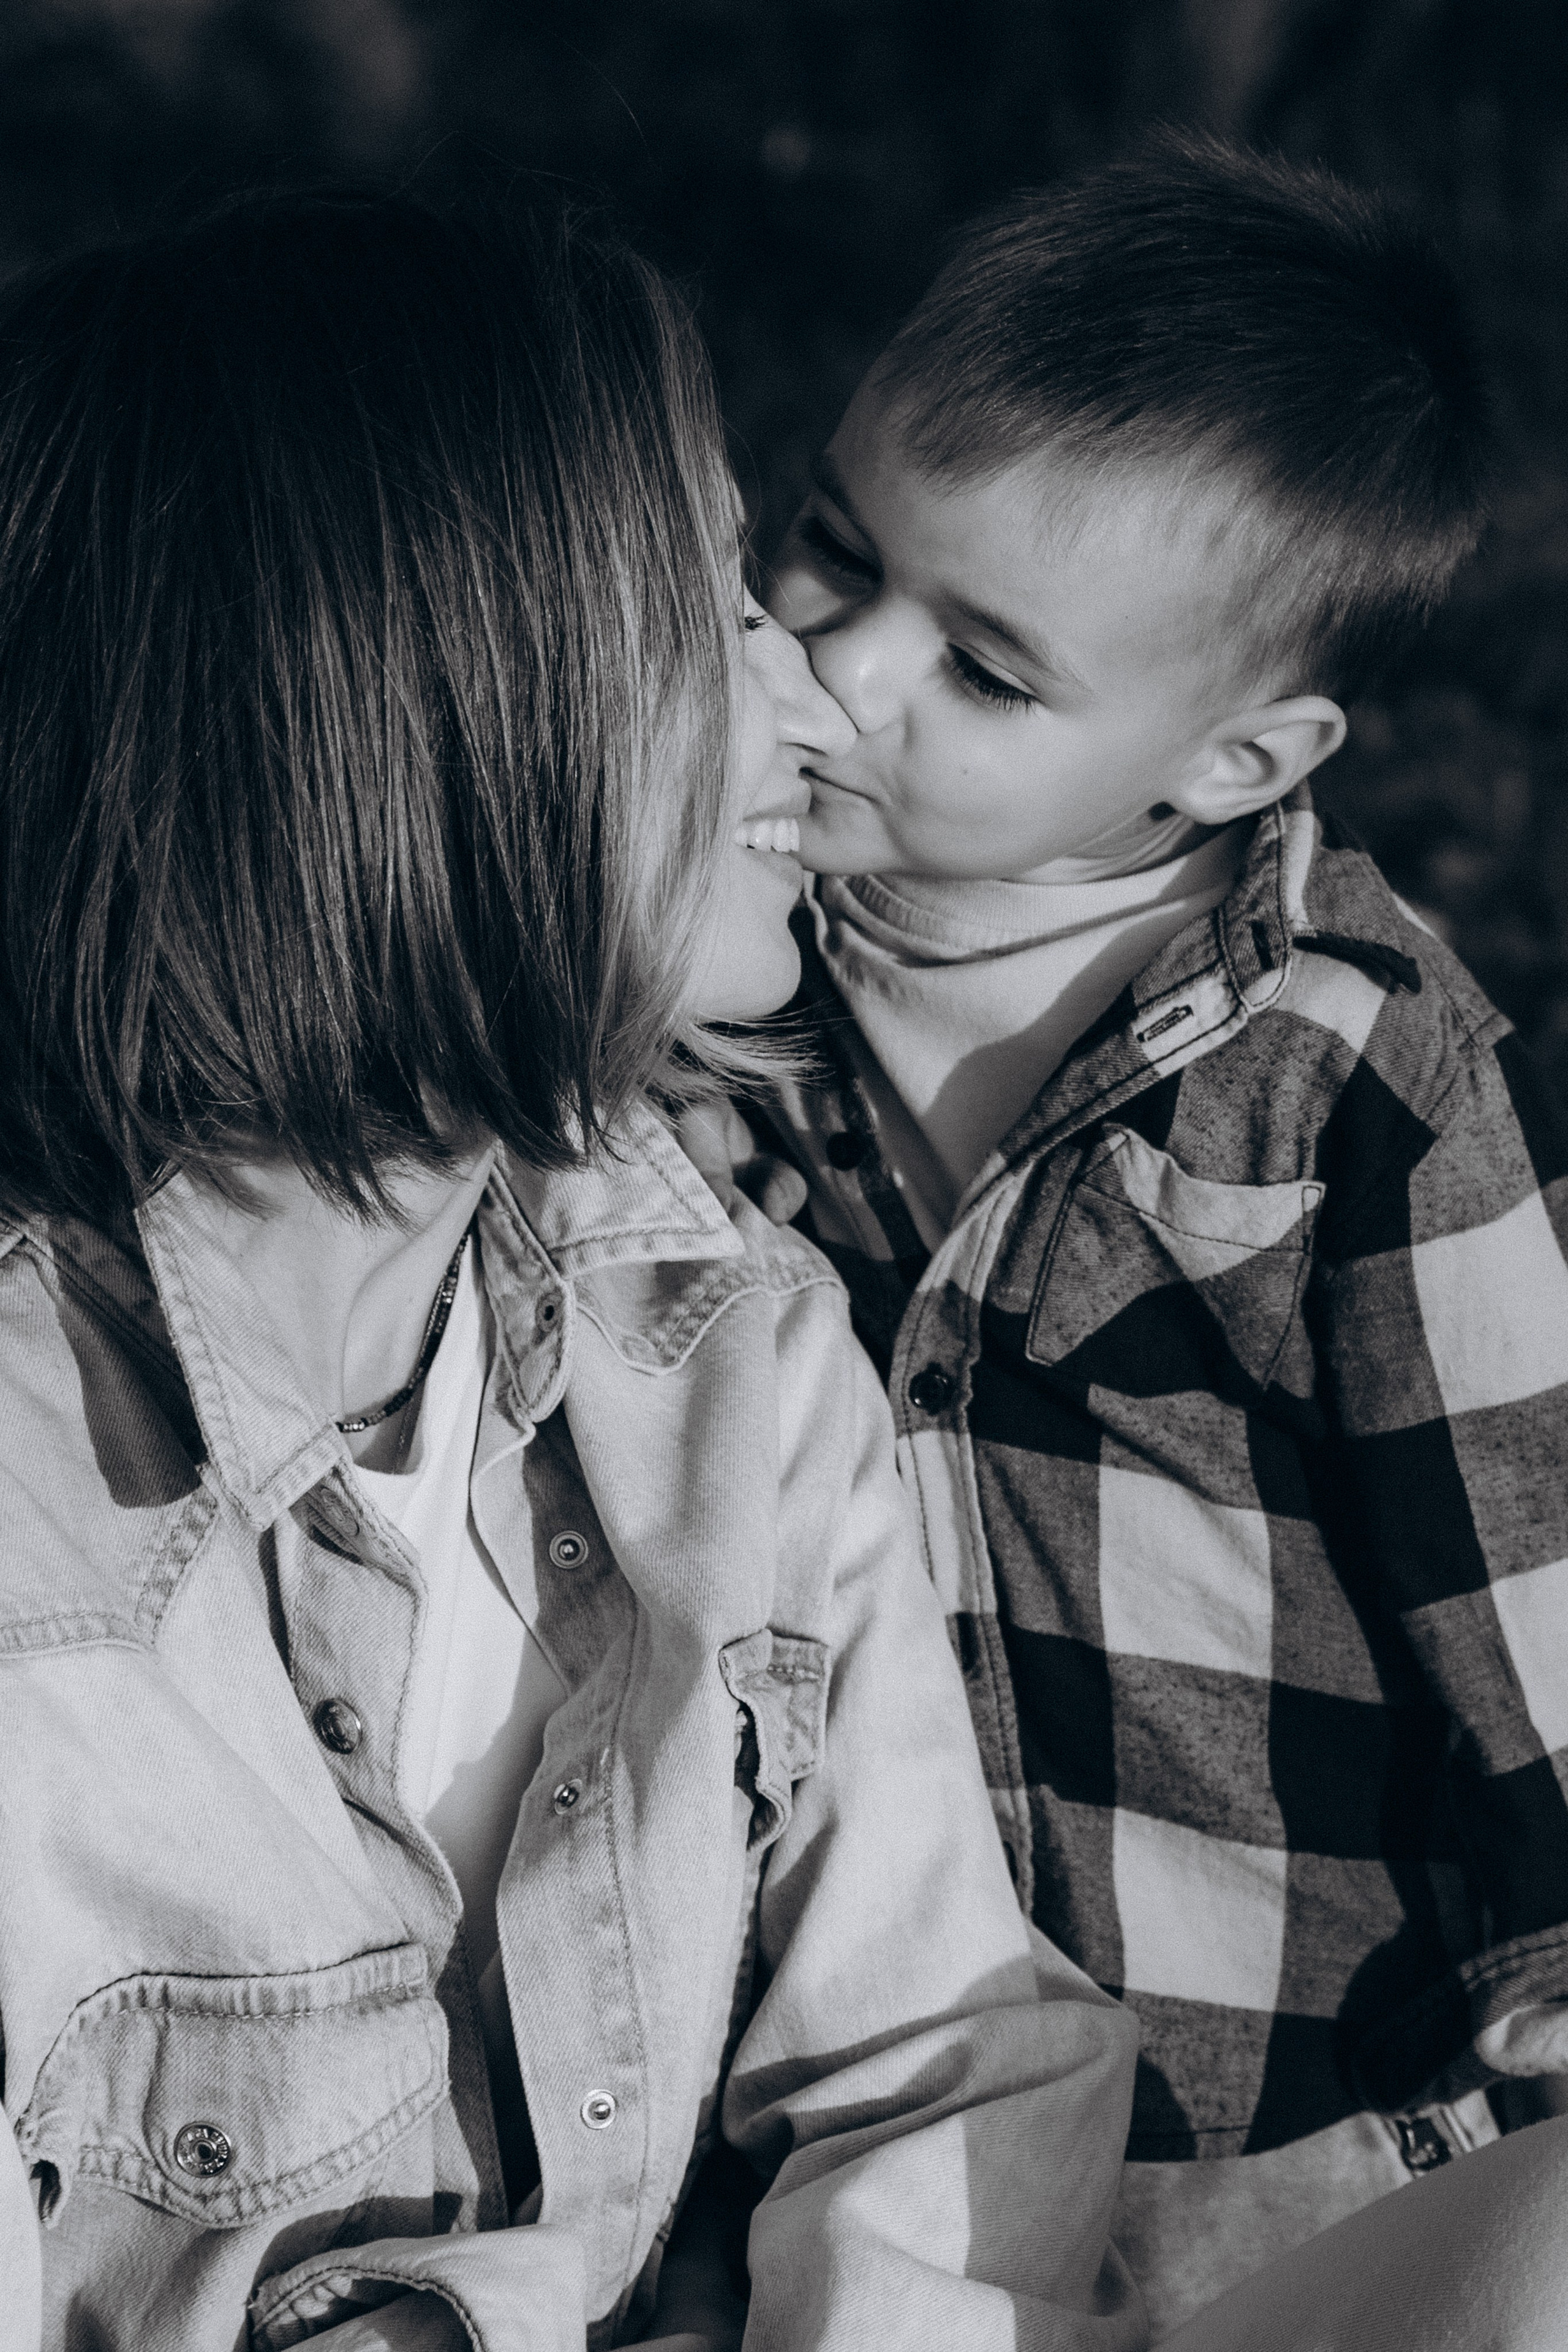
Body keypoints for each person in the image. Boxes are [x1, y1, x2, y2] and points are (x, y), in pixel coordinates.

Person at [0, 189, 1148, 2352]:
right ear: (422, 710)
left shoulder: (722, 1342)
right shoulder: (30, 1559)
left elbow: (949, 2066)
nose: (820, 712)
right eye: (718, 610)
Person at [730, 132, 1568, 2336]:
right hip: (861, 2119)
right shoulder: (720, 973)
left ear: (1231, 759)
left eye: (989, 673)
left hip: (1272, 2107)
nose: (848, 667)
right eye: (830, 548)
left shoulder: (1337, 1079)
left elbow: (1519, 1557)